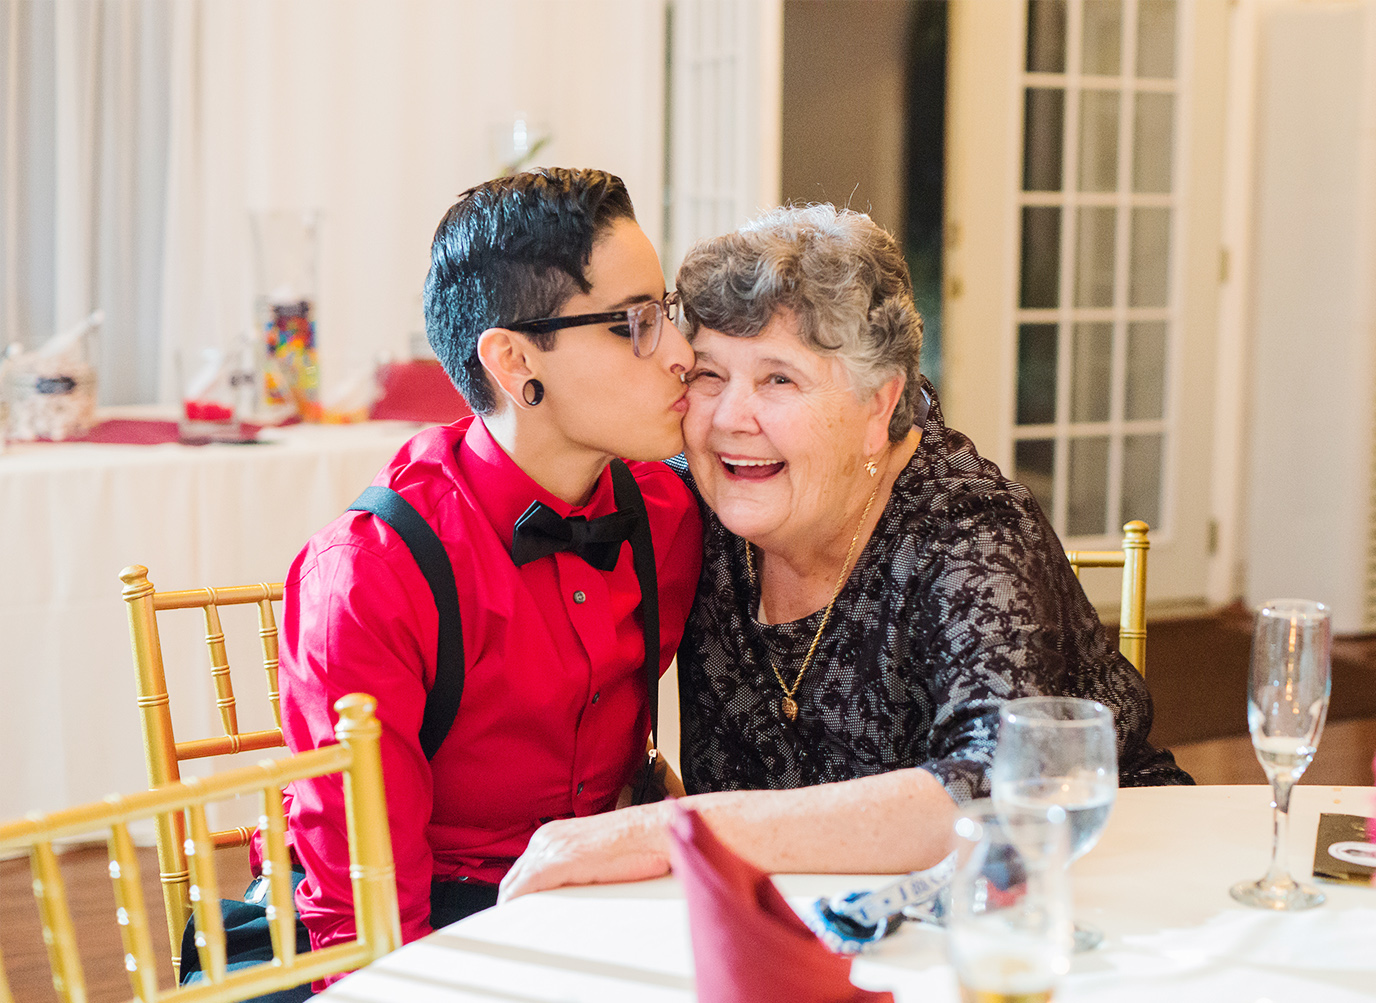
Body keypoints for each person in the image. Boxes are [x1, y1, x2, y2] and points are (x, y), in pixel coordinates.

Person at [498, 204, 1191, 903]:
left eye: (779, 379)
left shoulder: (968, 529)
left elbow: (994, 790)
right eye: (708, 375)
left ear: (877, 407)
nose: (731, 418)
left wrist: (673, 827)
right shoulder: (689, 508)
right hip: (812, 917)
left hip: (1084, 894)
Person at [273, 168, 703, 977]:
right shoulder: (371, 576)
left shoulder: (671, 516)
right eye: (635, 323)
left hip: (608, 910)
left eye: (668, 313)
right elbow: (365, 919)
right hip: (439, 935)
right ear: (512, 360)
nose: (680, 354)